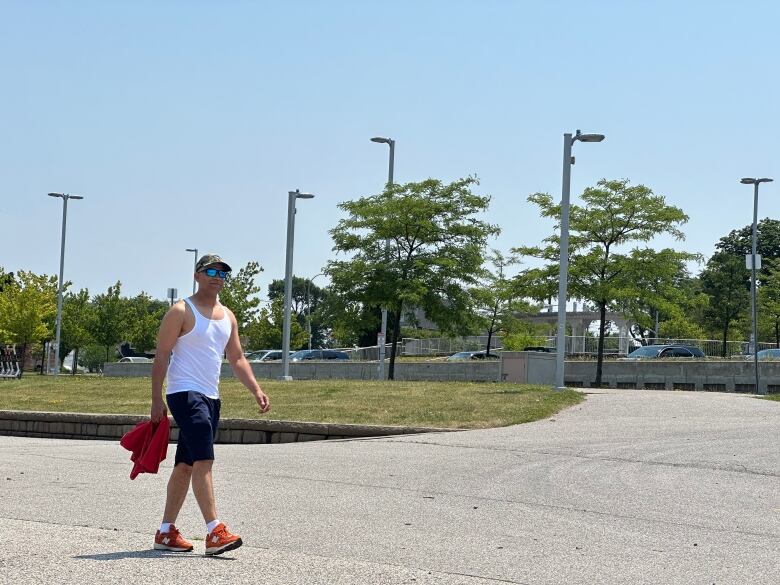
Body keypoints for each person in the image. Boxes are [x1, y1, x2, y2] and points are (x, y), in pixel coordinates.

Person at [150, 254, 270, 555]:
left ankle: (165, 532)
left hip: (211, 397)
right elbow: (162, 355)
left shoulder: (228, 316)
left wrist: (255, 389)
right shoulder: (180, 311)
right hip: (185, 394)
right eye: (212, 271)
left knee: (186, 465)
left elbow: (237, 358)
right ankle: (214, 531)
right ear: (197, 275)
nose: (218, 277)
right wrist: (156, 399)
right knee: (205, 460)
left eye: (223, 273)